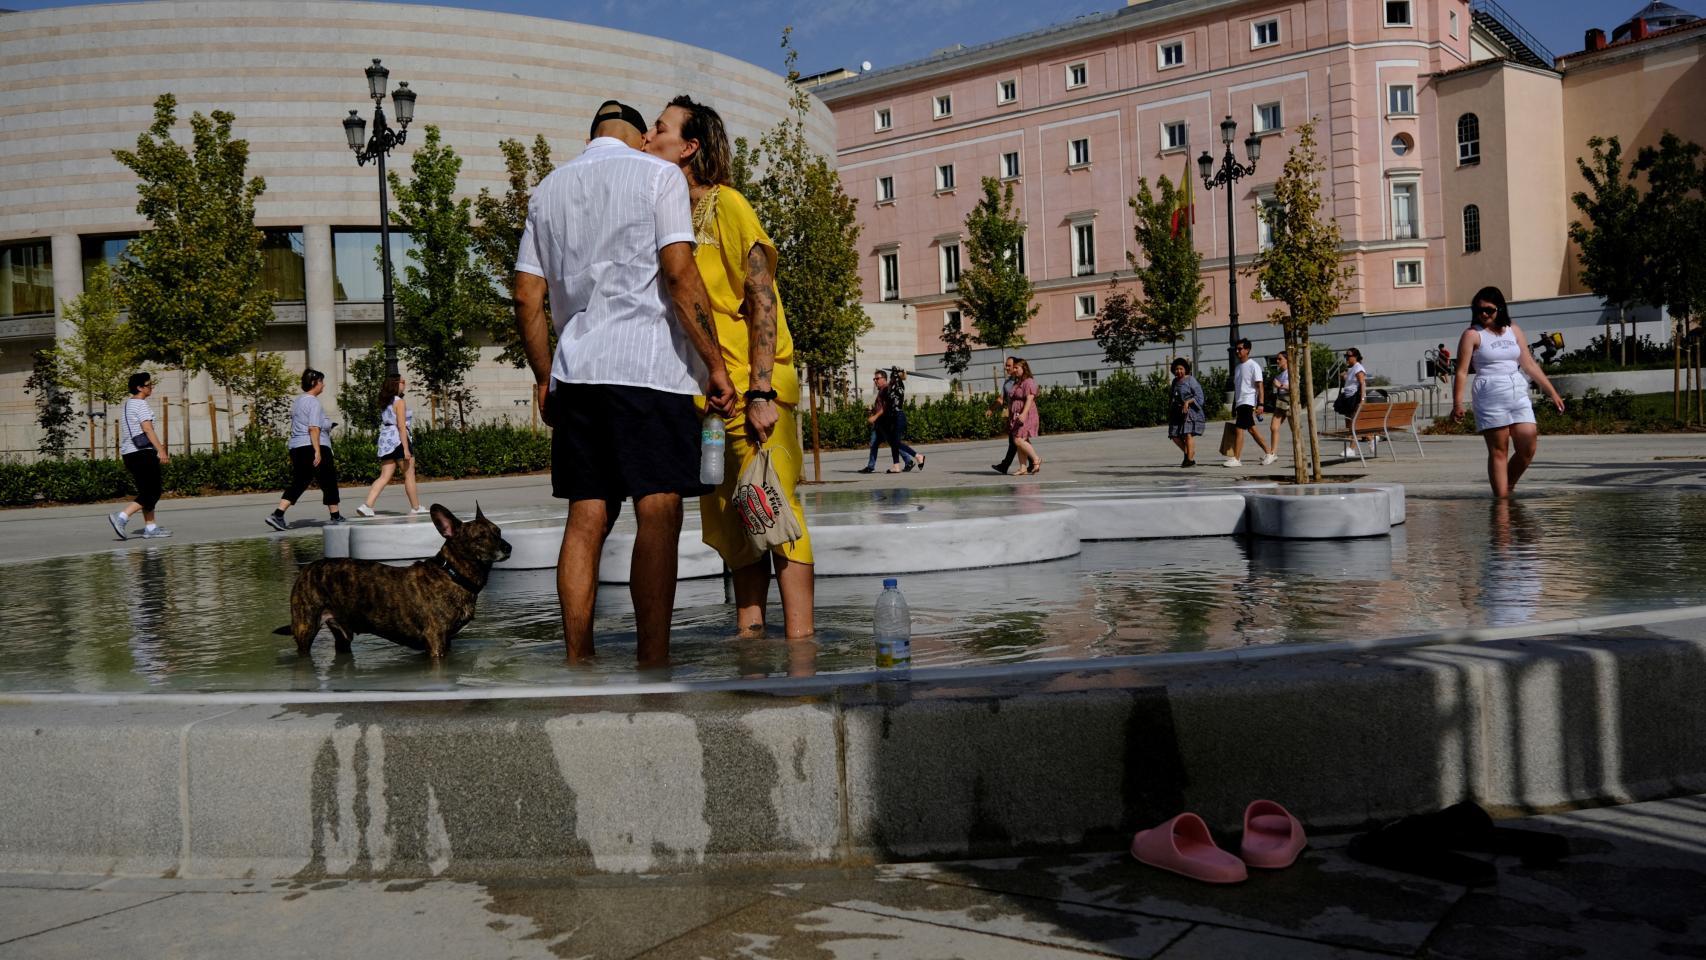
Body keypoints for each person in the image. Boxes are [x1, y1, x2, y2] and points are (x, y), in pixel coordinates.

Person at [514, 98, 736, 666]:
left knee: (586, 517)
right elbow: (680, 271)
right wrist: (715, 363)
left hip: (578, 374)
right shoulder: (658, 175)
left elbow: (526, 294)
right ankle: (654, 661)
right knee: (658, 510)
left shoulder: (548, 189)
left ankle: (578, 659)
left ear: (591, 136)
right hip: (647, 370)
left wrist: (545, 376)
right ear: (640, 137)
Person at [642, 94, 814, 639]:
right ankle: (751, 640)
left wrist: (761, 390)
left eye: (660, 127)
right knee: (738, 524)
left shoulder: (729, 205)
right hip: (706, 403)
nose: (649, 134)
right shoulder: (668, 217)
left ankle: (803, 650)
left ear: (690, 147)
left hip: (754, 389)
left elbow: (762, 298)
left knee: (777, 516)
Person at [1451, 286, 1565, 497]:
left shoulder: (1513, 329)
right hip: (1490, 393)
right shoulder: (1472, 334)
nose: (1483, 314)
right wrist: (1458, 403)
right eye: (1478, 310)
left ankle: (1508, 485)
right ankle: (1502, 504)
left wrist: (1552, 392)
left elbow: (1528, 363)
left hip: (1516, 390)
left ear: (1500, 309)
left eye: (1488, 309)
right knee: (1499, 450)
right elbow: (1461, 371)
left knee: (1527, 444)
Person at [266, 369, 343, 530]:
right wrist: (317, 451)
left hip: (296, 446)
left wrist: (327, 425)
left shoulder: (298, 401)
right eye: (321, 381)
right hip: (313, 445)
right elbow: (313, 428)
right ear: (315, 383)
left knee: (300, 481)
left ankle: (278, 515)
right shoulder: (313, 402)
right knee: (328, 479)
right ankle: (336, 517)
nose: (324, 385)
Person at [107, 372, 173, 540]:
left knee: (147, 491)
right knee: (154, 491)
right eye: (148, 385)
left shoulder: (128, 404)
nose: (151, 388)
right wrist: (162, 450)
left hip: (129, 453)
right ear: (139, 387)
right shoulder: (141, 405)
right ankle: (121, 517)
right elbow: (147, 429)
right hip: (142, 452)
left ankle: (150, 527)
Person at [356, 374, 425, 517]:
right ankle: (416, 507)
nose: (404, 384)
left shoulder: (385, 401)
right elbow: (401, 426)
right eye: (403, 382)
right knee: (409, 475)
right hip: (399, 440)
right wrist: (406, 448)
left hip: (386, 440)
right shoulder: (399, 402)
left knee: (384, 476)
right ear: (396, 384)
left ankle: (367, 505)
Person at [1225, 338, 1275, 467]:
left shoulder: (1254, 365)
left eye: (1240, 349)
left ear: (1247, 350)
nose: (1237, 351)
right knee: (1252, 430)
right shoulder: (1238, 368)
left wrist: (1261, 404)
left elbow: (1260, 386)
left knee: (1239, 429)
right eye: (1236, 349)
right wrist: (1234, 405)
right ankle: (1269, 453)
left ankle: (1237, 458)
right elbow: (1238, 388)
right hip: (1240, 402)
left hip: (1248, 401)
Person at [860, 369, 918, 473]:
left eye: (877, 378)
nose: (875, 381)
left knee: (893, 443)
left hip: (885, 422)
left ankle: (910, 459)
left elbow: (886, 407)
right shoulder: (882, 390)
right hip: (880, 422)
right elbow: (882, 406)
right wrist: (873, 411)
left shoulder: (886, 389)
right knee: (876, 443)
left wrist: (875, 416)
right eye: (874, 379)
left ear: (884, 379)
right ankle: (871, 466)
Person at [1166, 358, 1205, 467]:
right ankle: (1189, 453)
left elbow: (1200, 397)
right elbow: (1172, 396)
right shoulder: (1175, 381)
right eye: (1176, 369)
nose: (1179, 371)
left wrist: (1188, 402)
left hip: (1190, 412)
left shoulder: (1191, 380)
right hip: (1177, 412)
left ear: (1185, 369)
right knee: (1174, 435)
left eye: (1181, 369)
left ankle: (1190, 460)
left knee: (1188, 434)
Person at [1008, 357, 1042, 475]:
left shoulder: (1028, 381)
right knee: (1020, 439)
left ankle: (1036, 459)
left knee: (1018, 440)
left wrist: (1023, 414)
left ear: (1024, 368)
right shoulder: (1018, 382)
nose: (1014, 369)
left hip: (1027, 414)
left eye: (1017, 367)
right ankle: (1023, 468)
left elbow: (1030, 398)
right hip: (1017, 414)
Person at [991, 356, 1021, 474]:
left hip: (1021, 415)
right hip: (1012, 416)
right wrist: (991, 409)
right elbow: (1001, 399)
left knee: (1017, 441)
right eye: (1006, 365)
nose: (1006, 367)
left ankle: (1034, 460)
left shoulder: (1022, 381)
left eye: (1009, 365)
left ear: (1015, 366)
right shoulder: (1007, 382)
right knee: (1018, 441)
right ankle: (1032, 462)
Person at [1266, 352, 1293, 458]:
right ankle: (1273, 453)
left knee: (1294, 429)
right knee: (1273, 427)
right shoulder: (1280, 374)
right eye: (1277, 359)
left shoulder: (1291, 372)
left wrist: (1279, 385)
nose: (1277, 361)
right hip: (1281, 401)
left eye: (1280, 359)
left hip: (1290, 401)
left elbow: (1293, 387)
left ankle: (1299, 451)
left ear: (1287, 359)